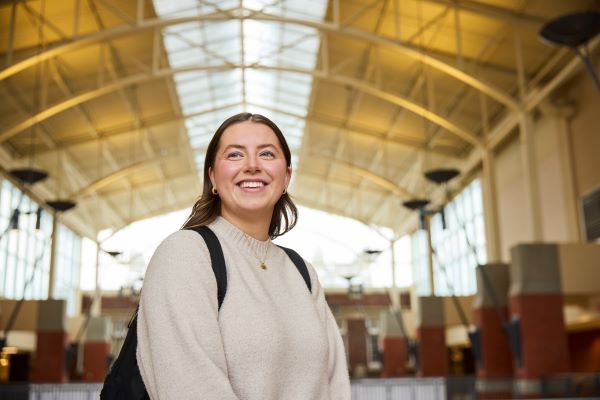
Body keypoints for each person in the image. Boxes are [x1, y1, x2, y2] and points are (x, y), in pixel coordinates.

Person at [136, 112, 351, 399]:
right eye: (235, 154)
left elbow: (334, 385)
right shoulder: (185, 254)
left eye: (266, 153)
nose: (252, 165)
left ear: (286, 175)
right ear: (212, 175)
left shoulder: (302, 272)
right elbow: (191, 388)